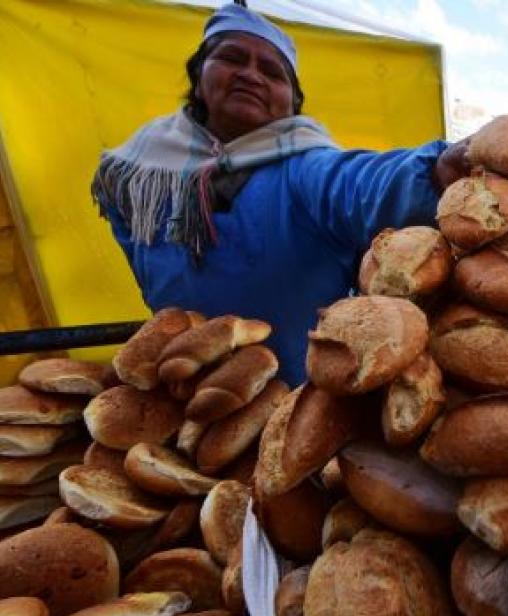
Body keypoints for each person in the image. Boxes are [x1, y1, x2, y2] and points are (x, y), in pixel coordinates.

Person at [91, 3, 468, 386]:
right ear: (199, 75)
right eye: (232, 58)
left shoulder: (303, 167)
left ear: (291, 103)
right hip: (183, 391)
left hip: (297, 398)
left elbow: (362, 183)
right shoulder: (135, 172)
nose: (251, 74)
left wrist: (438, 170)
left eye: (272, 72)